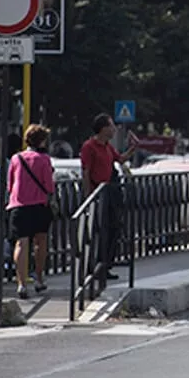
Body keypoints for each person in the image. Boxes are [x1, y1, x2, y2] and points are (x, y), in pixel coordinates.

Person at [79, 114, 138, 281]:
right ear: (103, 128)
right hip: (98, 194)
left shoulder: (107, 147)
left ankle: (106, 265)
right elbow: (86, 171)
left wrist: (133, 149)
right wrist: (88, 196)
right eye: (111, 126)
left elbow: (120, 159)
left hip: (110, 193)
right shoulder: (89, 146)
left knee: (113, 229)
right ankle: (94, 267)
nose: (114, 129)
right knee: (99, 231)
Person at [7, 125, 55, 299]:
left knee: (21, 243)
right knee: (40, 242)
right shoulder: (44, 160)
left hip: (18, 205)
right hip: (39, 205)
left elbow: (10, 185)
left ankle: (21, 284)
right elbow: (49, 186)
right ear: (42, 140)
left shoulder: (16, 158)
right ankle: (39, 278)